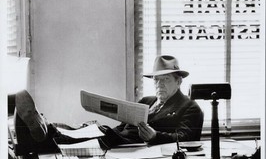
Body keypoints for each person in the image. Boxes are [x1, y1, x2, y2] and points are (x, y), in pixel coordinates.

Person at [14, 55, 203, 153]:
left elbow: (187, 138)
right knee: (84, 129)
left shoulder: (190, 107)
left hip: (133, 148)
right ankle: (43, 129)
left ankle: (39, 132)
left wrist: (155, 136)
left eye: (165, 80)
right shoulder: (148, 101)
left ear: (179, 81)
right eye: (156, 80)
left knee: (90, 138)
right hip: (118, 138)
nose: (159, 85)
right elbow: (123, 125)